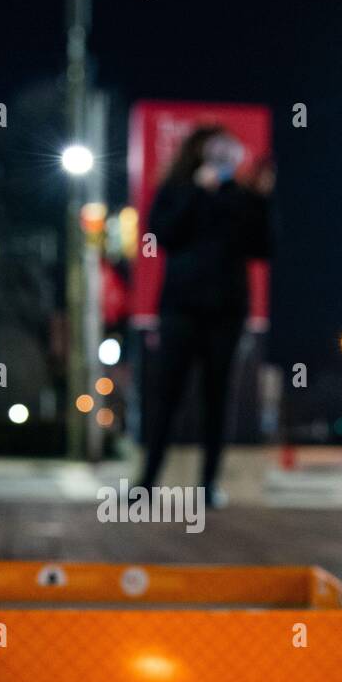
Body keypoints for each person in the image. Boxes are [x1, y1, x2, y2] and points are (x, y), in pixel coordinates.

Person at [139, 125, 274, 503]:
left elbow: (264, 248)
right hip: (180, 308)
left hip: (226, 312)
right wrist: (198, 191)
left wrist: (263, 200)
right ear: (196, 153)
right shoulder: (179, 190)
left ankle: (208, 486)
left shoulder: (243, 198)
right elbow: (162, 233)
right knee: (168, 396)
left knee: (218, 397)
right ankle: (146, 484)